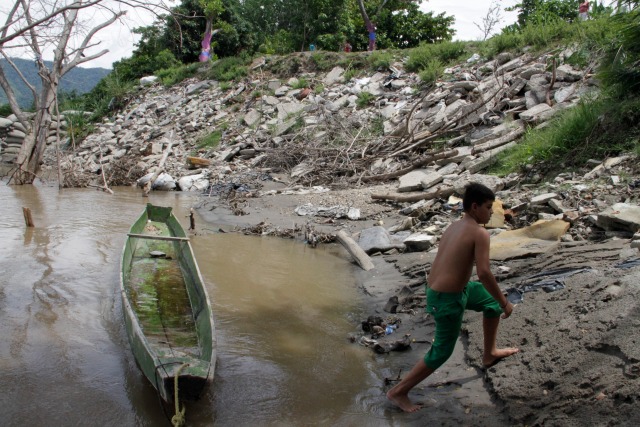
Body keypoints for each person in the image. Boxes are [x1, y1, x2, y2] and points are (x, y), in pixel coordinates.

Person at [386, 182, 519, 413]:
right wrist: (506, 303)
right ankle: (398, 391)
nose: (491, 213)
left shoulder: (454, 226)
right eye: (488, 207)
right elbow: (485, 273)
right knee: (442, 351)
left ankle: (489, 354)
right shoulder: (480, 232)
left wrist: (497, 302)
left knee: (489, 303)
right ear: (475, 207)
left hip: (449, 290)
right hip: (447, 299)